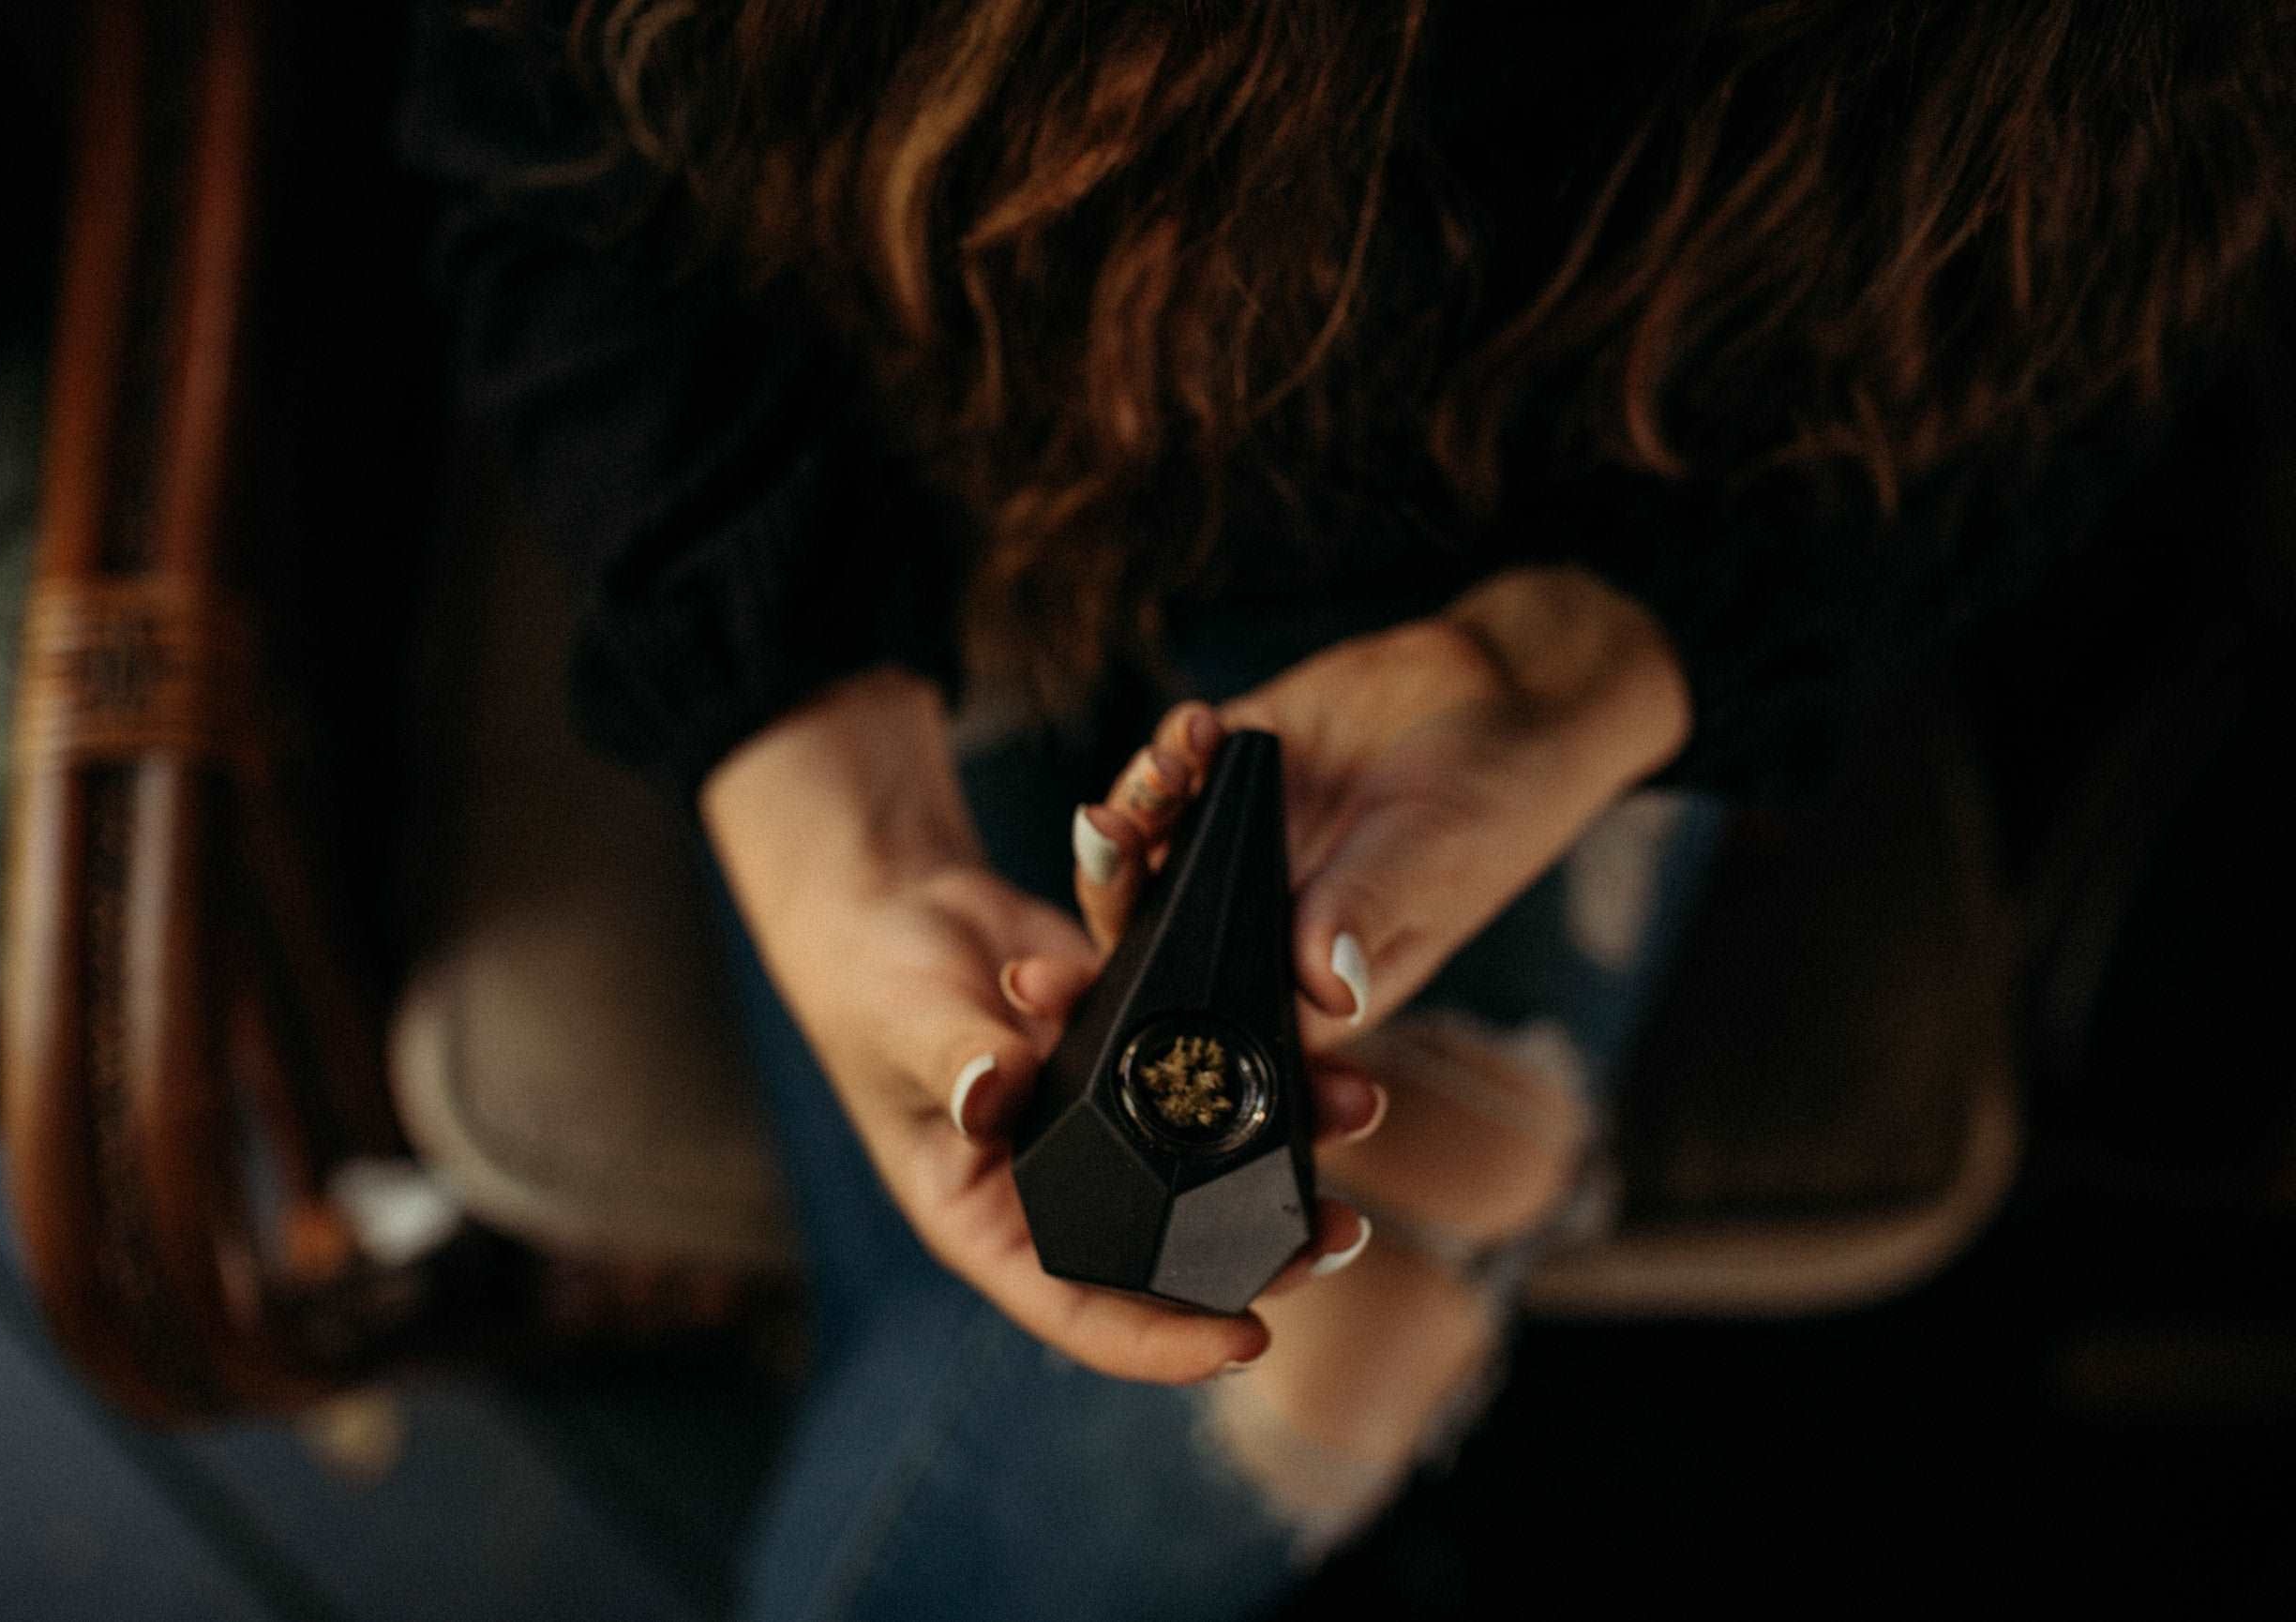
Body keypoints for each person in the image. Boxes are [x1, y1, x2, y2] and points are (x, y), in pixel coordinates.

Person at [398, 2, 2291, 1614]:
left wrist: (1587, 671)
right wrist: (828, 800)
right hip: (909, 390)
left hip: (1605, 499)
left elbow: (2078, 350)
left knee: (1298, 1335)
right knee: (1194, 1354)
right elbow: (539, 117)